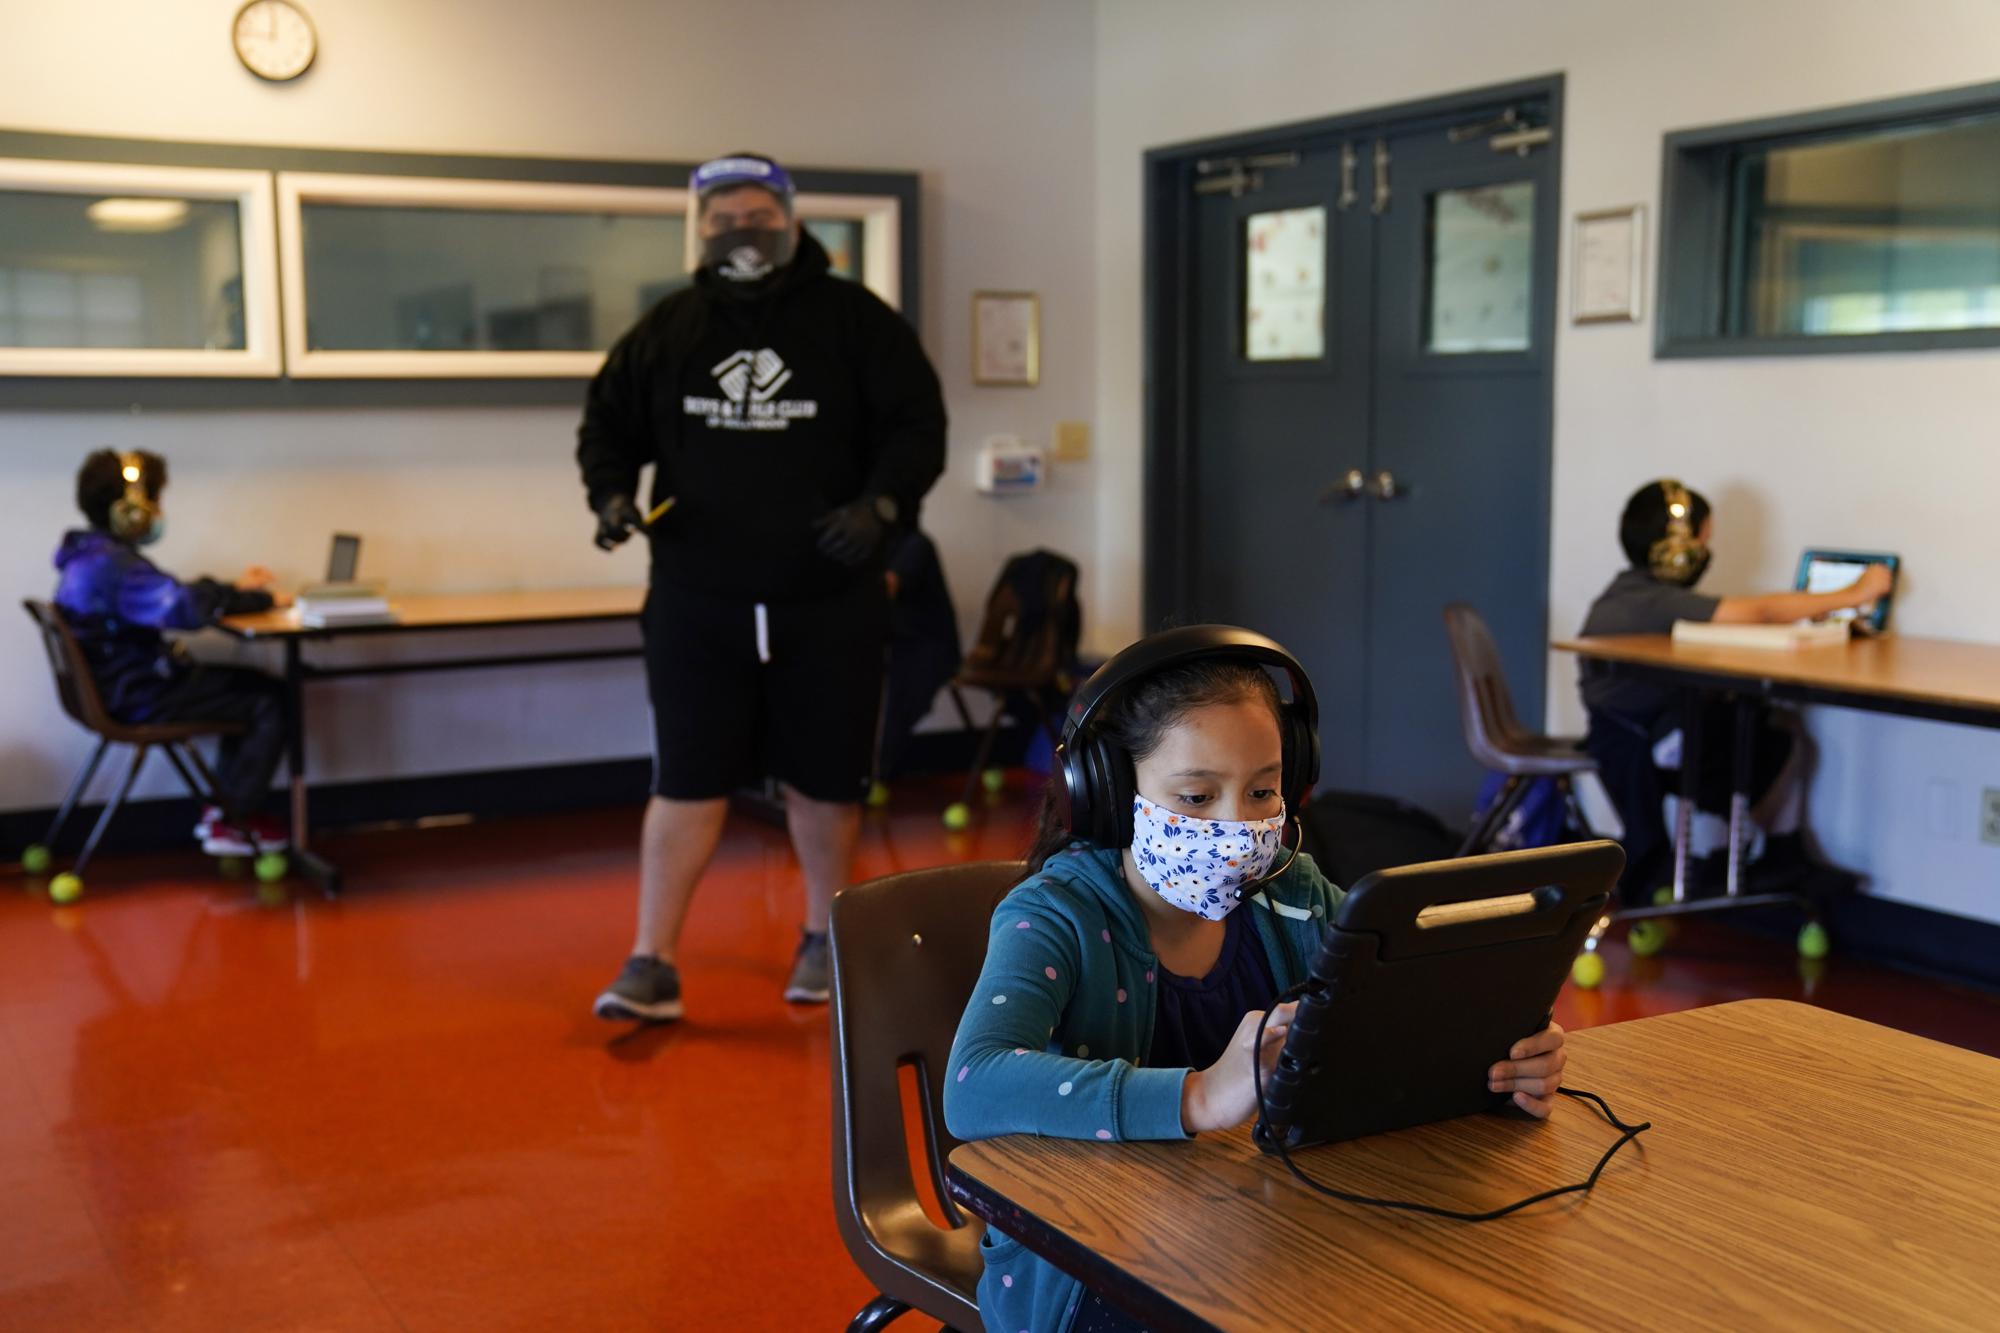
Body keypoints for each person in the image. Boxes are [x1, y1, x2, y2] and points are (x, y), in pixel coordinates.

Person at [942, 629, 1569, 1333]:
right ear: (1113, 791)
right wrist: (1199, 1094)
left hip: (1267, 1231)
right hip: (1087, 1268)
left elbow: (1383, 1022)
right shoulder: (1058, 913)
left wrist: (1494, 1060)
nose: (1237, 826)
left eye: (1263, 788)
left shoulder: (1290, 892)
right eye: (1198, 794)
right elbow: (973, 1085)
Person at [576, 152, 946, 1021]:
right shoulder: (669, 329)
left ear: (789, 220)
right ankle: (650, 959)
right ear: (700, 228)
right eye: (725, 219)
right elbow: (607, 424)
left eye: (759, 216)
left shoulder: (857, 323)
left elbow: (918, 426)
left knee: (824, 782)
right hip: (698, 597)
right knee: (687, 778)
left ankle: (823, 937)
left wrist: (882, 506)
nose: (743, 232)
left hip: (829, 596)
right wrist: (609, 495)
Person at [1578, 479, 1892, 897]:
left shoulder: (1628, 596)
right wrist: (1858, 592)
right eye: (1704, 542)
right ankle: (1751, 858)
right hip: (1647, 742)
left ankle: (1748, 855)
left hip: (1628, 737)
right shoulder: (1653, 601)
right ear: (1677, 550)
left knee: (1763, 722)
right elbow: (1761, 610)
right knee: (1777, 733)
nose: (1707, 553)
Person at [53, 449, 293, 856]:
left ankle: (227, 812)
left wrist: (231, 590)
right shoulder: (113, 566)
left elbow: (172, 596)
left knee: (242, 685)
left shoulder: (88, 557)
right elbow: (183, 608)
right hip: (139, 696)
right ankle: (233, 821)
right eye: (155, 502)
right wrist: (255, 598)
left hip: (114, 690)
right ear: (130, 512)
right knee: (268, 698)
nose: (160, 511)